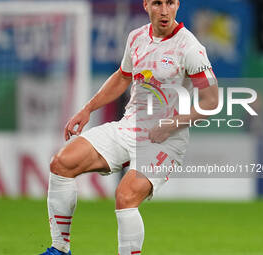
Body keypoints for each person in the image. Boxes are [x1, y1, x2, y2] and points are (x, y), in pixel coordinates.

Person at [40, 0, 218, 254]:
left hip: (166, 141)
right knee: (62, 162)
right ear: (146, 4)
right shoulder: (136, 38)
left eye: (170, 3)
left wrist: (169, 125)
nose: (164, 10)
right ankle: (59, 248)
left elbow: (211, 102)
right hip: (128, 128)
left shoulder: (190, 47)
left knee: (126, 196)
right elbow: (123, 76)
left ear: (178, 4)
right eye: (157, 3)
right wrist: (88, 109)